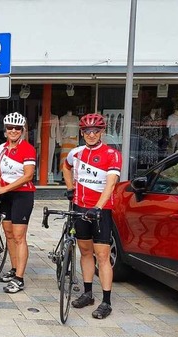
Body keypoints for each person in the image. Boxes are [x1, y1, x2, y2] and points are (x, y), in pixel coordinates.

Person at [62, 113, 122, 319]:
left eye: (96, 131)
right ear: (82, 132)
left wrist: (97, 207)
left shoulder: (112, 154)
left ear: (102, 132)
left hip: (100, 211)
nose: (92, 135)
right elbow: (66, 166)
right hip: (80, 207)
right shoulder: (76, 153)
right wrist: (70, 187)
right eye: (87, 131)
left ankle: (106, 301)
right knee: (85, 252)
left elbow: (111, 184)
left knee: (102, 256)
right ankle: (88, 293)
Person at [0, 112, 36, 294]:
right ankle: (14, 268)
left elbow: (28, 175)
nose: (13, 131)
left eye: (17, 128)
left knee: (19, 236)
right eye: (10, 128)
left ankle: (20, 278)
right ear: (5, 130)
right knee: (8, 233)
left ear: (22, 130)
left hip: (22, 196)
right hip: (5, 196)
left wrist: (4, 189)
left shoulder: (28, 149)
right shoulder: (1, 148)